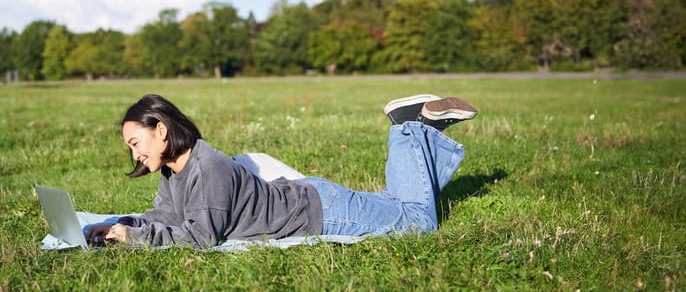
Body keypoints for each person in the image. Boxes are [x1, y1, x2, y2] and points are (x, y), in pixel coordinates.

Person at [85, 93, 477, 248]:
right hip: (309, 198)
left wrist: (136, 239)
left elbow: (199, 238)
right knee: (398, 206)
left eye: (135, 144)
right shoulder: (175, 170)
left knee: (417, 222)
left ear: (162, 130)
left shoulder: (208, 167)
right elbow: (167, 217)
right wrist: (122, 225)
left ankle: (410, 128)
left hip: (318, 212)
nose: (134, 155)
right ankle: (418, 127)